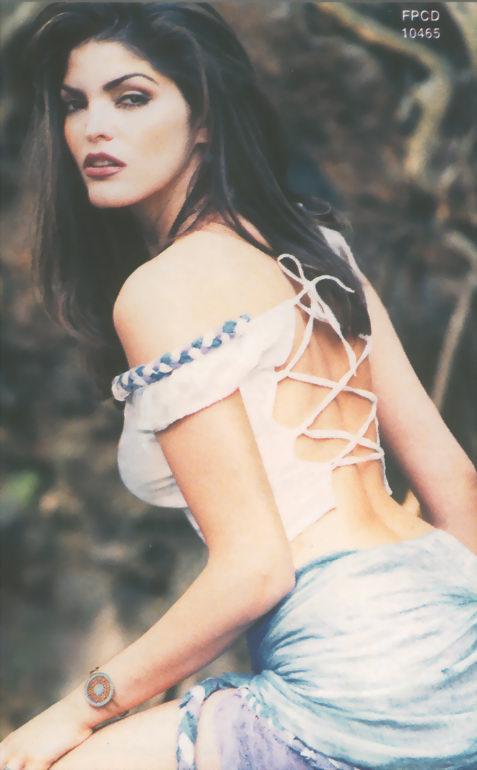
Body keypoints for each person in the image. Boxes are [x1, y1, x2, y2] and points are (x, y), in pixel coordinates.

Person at [1, 3, 476, 770]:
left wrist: (78, 707)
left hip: (351, 663)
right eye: (74, 103)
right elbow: (456, 484)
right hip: (455, 631)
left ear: (203, 119)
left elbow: (254, 569)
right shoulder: (320, 249)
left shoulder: (163, 289)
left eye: (131, 97)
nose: (93, 128)